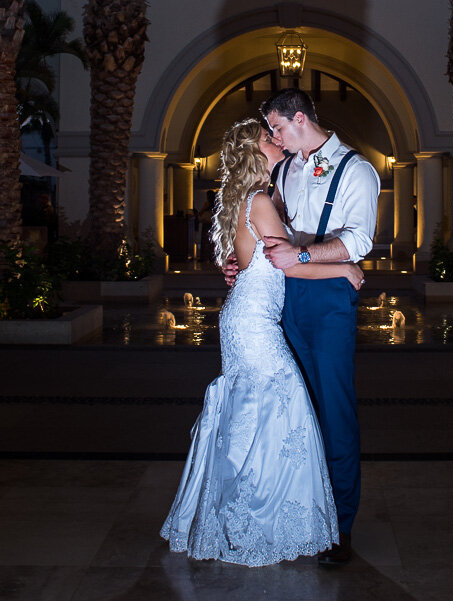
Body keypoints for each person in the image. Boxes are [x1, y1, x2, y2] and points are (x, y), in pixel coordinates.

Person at [160, 118, 365, 567]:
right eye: (267, 138)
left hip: (245, 320)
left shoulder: (253, 198)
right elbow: (286, 264)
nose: (276, 141)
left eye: (275, 134)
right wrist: (343, 269)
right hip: (254, 326)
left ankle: (248, 515)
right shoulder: (259, 200)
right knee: (276, 412)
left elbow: (262, 260)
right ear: (255, 155)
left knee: (256, 417)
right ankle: (255, 520)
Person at [229, 88, 380, 566]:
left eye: (275, 128)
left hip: (328, 300)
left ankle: (340, 526)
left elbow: (360, 239)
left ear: (298, 119)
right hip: (283, 299)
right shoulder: (281, 169)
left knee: (335, 411)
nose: (272, 139)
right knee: (295, 411)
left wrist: (308, 256)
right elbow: (265, 234)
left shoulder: (358, 169)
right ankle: (298, 512)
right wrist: (241, 263)